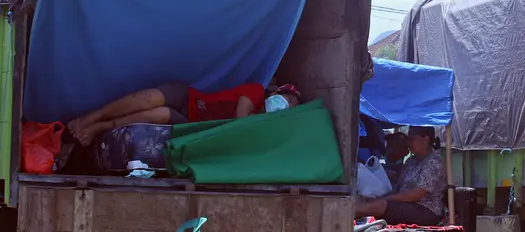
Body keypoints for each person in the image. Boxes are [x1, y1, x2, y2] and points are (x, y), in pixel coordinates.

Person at [68, 82, 301, 146]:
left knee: (159, 115)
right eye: (286, 98)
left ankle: (102, 127)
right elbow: (240, 120)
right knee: (150, 98)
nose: (284, 104)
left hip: (190, 123)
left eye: (290, 105)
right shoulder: (257, 91)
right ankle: (92, 117)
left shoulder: (261, 125)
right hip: (191, 99)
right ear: (277, 92)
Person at [356, 126, 446, 226]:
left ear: (425, 139)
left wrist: (385, 199)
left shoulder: (434, 162)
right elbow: (399, 187)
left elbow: (416, 194)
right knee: (369, 201)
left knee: (381, 205)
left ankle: (348, 211)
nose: (408, 143)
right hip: (407, 205)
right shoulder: (411, 161)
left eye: (412, 139)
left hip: (426, 211)